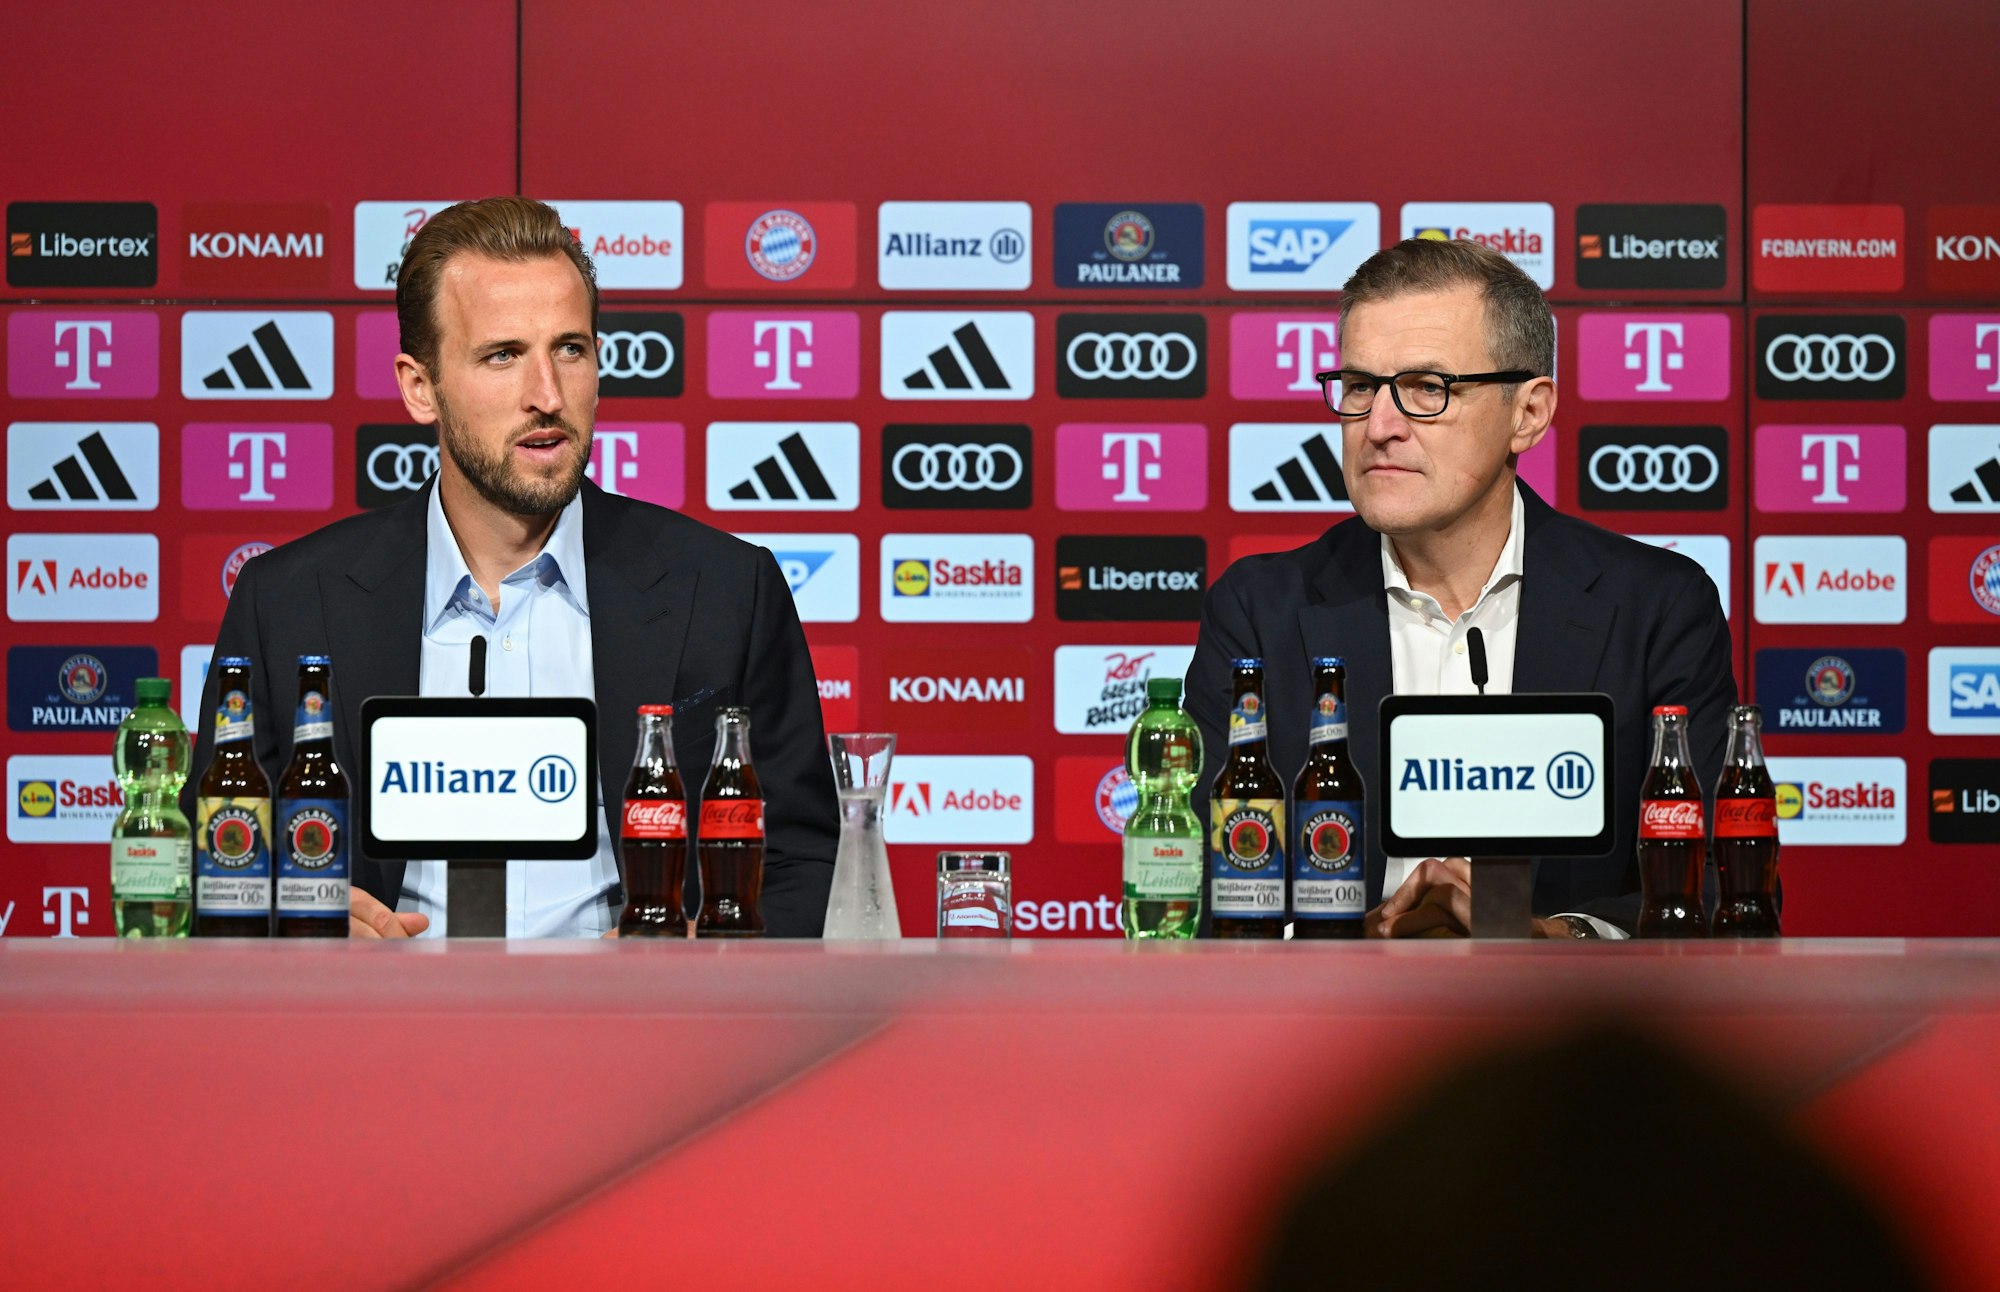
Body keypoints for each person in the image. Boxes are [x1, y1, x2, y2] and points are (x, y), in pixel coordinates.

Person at [185, 197, 837, 938]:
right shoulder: (290, 603)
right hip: (377, 1036)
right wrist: (305, 921)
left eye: (570, 349)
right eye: (503, 356)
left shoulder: (726, 592)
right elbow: (219, 856)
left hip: (642, 1037)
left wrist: (713, 957)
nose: (547, 397)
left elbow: (801, 861)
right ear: (419, 387)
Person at [1186, 237, 1735, 938]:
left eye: (1426, 389)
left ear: (1529, 413)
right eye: (1359, 387)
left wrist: (1548, 939)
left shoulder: (1655, 608)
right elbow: (1200, 888)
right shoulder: (1261, 613)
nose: (1380, 427)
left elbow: (1720, 892)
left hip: (1564, 1034)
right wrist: (1361, 942)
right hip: (1326, 1033)